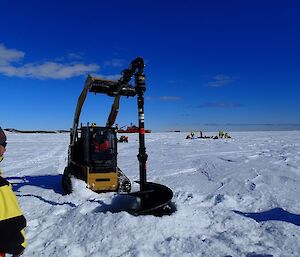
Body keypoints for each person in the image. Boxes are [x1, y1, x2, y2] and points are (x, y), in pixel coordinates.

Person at [0, 127, 27, 257]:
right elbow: (11, 231)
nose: (5, 149)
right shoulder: (1, 188)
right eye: (3, 145)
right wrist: (19, 247)